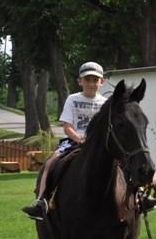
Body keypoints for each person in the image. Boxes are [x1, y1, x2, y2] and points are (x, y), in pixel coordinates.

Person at [23, 61, 108, 220]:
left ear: (102, 82)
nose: (91, 83)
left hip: (98, 145)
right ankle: (42, 202)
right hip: (74, 141)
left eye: (95, 80)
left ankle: (139, 197)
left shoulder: (105, 103)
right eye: (87, 79)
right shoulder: (72, 99)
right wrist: (79, 138)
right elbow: (67, 127)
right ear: (80, 81)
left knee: (123, 160)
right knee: (50, 163)